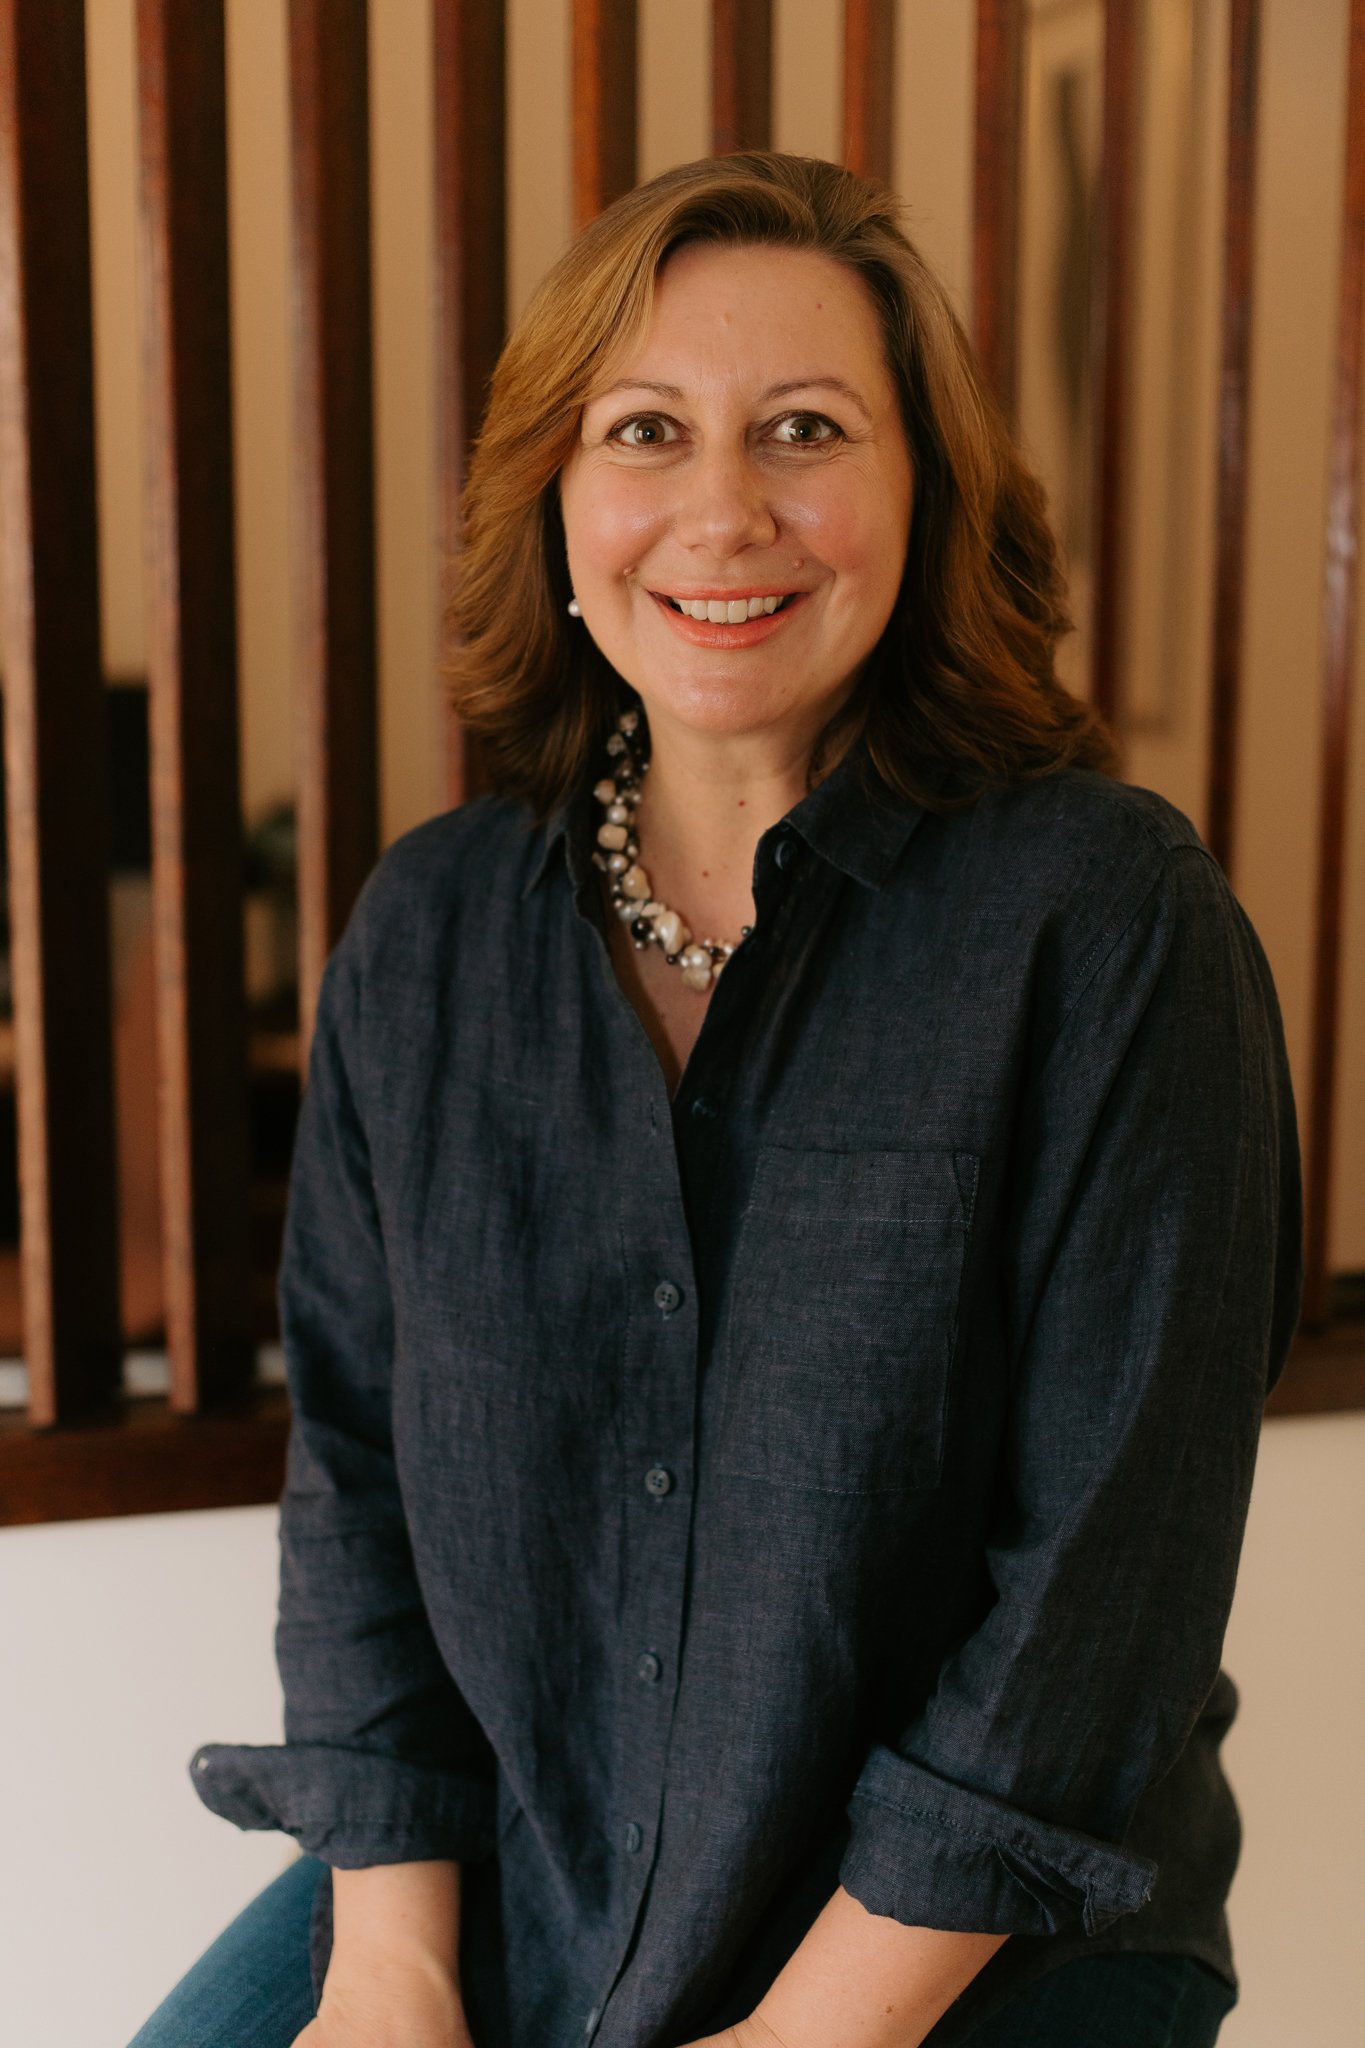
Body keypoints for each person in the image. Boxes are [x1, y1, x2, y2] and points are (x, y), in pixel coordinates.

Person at [128, 152, 1301, 2048]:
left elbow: (1107, 1584)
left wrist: (807, 2031)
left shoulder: (1106, 921)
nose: (721, 512)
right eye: (647, 431)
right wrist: (393, 1975)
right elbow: (352, 1480)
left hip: (971, 1913)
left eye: (805, 429)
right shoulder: (427, 933)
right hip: (522, 1871)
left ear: (920, 491)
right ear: (558, 501)